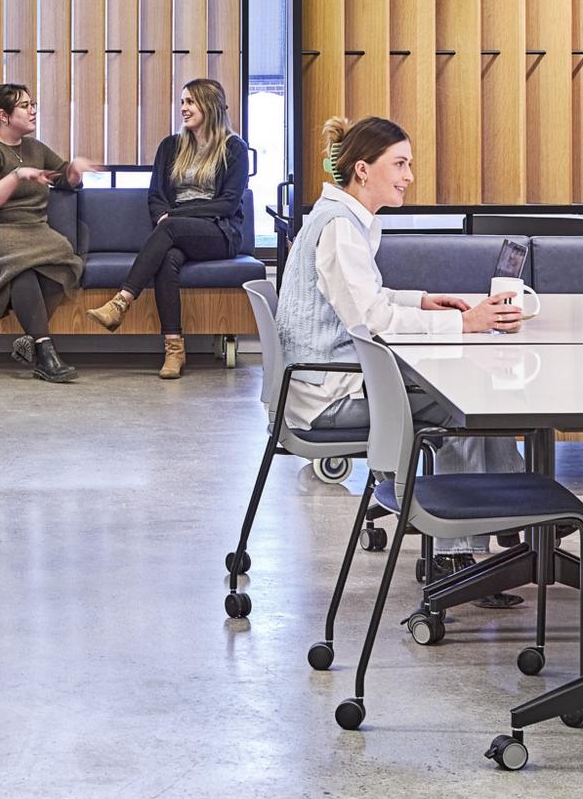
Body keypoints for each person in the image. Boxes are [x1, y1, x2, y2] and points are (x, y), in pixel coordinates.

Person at [276, 116, 525, 595]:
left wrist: (422, 300)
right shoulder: (340, 230)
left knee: (469, 394)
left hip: (330, 379)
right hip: (330, 395)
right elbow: (372, 320)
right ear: (363, 170)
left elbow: (365, 297)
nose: (409, 176)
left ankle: (505, 510)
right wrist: (464, 323)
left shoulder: (344, 220)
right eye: (400, 164)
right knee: (459, 402)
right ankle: (459, 556)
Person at [85, 78, 249, 379]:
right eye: (182, 102)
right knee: (169, 259)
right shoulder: (171, 146)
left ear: (209, 106)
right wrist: (166, 215)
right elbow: (156, 195)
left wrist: (173, 215)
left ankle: (121, 302)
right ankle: (174, 348)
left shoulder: (234, 148)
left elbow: (226, 205)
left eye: (190, 102)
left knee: (170, 230)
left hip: (220, 232)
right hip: (177, 230)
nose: (183, 108)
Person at [0, 83, 97, 384]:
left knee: (65, 256)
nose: (33, 110)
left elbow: (63, 177)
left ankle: (30, 341)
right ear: (4, 116)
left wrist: (75, 171)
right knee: (21, 265)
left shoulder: (34, 147)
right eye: (26, 106)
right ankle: (46, 353)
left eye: (34, 104)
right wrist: (17, 175)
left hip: (28, 229)